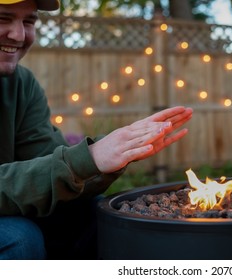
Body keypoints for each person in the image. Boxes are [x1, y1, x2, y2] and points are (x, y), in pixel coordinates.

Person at [0, 0, 193, 259]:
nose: (19, 35)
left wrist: (104, 158)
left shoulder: (21, 84)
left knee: (97, 215)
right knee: (18, 238)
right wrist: (86, 159)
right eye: (3, 18)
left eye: (28, 21)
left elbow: (45, 163)